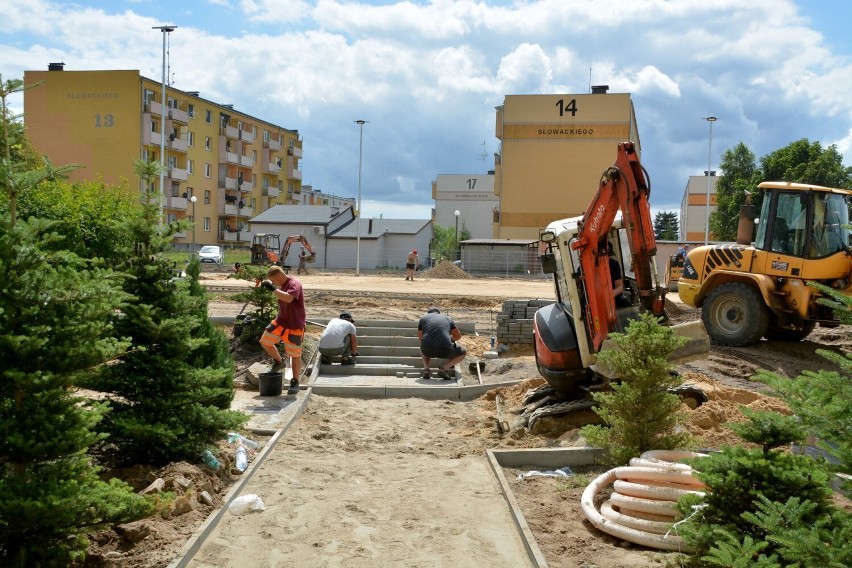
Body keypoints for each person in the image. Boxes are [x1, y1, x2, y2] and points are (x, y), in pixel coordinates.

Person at [259, 265, 305, 395]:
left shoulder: (294, 284)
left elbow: (289, 298)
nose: (274, 283)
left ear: (279, 276)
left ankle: (295, 382)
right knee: (265, 341)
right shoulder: (282, 285)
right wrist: (274, 288)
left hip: (294, 325)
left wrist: (273, 288)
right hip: (281, 322)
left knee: (294, 354)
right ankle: (279, 362)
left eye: (274, 281)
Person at [417, 307, 466, 380]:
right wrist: (451, 339)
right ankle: (444, 368)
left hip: (427, 350)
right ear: (438, 313)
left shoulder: (423, 319)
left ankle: (426, 369)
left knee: (423, 346)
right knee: (463, 352)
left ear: (429, 313)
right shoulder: (447, 318)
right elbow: (458, 336)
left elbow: (421, 338)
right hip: (446, 349)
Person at [606, 241, 631, 308]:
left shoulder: (614, 264)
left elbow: (619, 286)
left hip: (612, 297)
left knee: (623, 301)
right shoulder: (584, 268)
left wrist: (611, 294)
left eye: (608, 254)